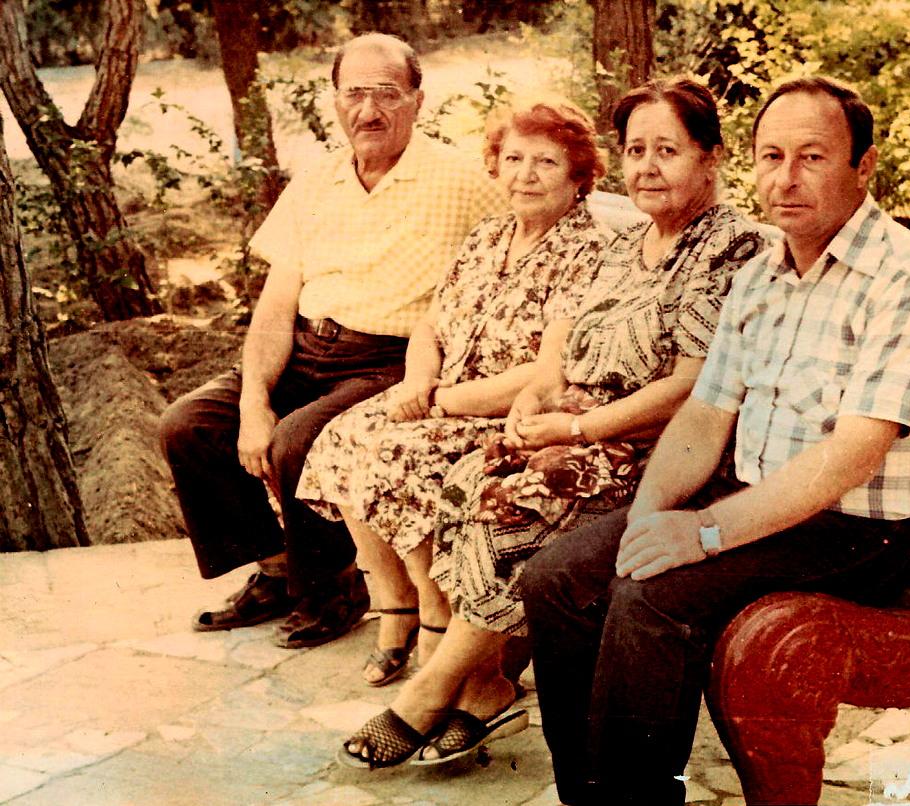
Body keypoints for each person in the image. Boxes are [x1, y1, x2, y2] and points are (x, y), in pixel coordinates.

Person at [519, 76, 910, 805]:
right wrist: (646, 521)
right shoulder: (764, 275)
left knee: (652, 598)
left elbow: (853, 455)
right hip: (764, 499)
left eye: (812, 157)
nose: (785, 179)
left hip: (862, 527)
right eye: (771, 157)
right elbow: (704, 414)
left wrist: (701, 535)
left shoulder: (906, 281)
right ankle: (593, 795)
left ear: (864, 166)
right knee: (559, 578)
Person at [336, 77, 768, 770]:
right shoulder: (629, 244)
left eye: (668, 150)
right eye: (636, 151)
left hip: (658, 446)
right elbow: (559, 354)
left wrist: (576, 431)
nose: (648, 167)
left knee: (512, 500)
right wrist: (532, 404)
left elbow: (690, 386)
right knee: (467, 477)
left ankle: (432, 689)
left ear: (709, 156)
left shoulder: (728, 246)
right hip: (581, 428)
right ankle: (486, 681)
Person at [158, 33, 506, 650]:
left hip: (392, 360)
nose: (368, 111)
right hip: (307, 348)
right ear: (336, 100)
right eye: (354, 94)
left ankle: (334, 589)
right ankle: (277, 570)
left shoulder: (464, 181)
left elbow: (523, 247)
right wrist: (254, 401)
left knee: (297, 442)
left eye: (387, 94)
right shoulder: (316, 181)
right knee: (189, 426)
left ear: (418, 100)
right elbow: (276, 306)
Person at [294, 95, 609, 689]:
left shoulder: (589, 251)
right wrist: (418, 380)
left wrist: (439, 402)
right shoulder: (488, 236)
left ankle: (435, 609)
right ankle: (398, 606)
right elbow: (430, 326)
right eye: (513, 159)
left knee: (395, 453)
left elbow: (550, 372)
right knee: (341, 436)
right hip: (441, 397)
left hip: (506, 413)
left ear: (578, 174)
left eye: (545, 162)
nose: (525, 175)